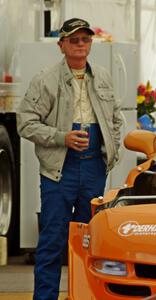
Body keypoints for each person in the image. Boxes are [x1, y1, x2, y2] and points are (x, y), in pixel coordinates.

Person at [17, 17, 122, 300]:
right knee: (52, 241)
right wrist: (62, 137)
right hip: (58, 170)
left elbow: (114, 118)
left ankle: (85, 295)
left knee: (91, 241)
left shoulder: (102, 75)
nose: (80, 44)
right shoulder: (45, 79)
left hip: (93, 167)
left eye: (85, 39)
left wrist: (112, 149)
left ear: (91, 43)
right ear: (61, 44)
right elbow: (24, 123)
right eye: (73, 40)